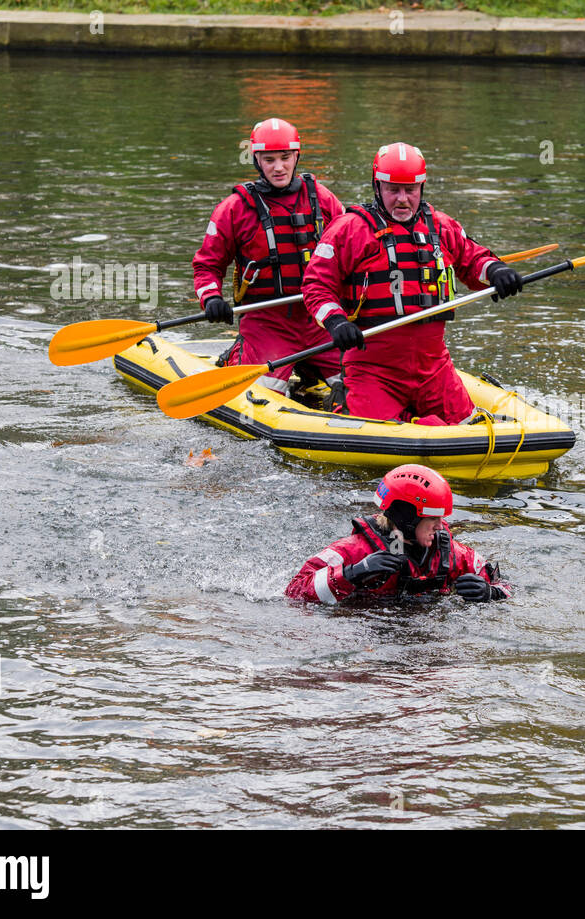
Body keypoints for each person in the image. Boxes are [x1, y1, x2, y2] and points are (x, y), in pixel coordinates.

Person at [299, 142, 524, 425]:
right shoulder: (349, 230)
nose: (402, 199)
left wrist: (495, 270)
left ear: (422, 188)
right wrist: (337, 322)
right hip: (372, 368)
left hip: (433, 368)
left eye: (410, 190)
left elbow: (472, 259)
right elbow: (316, 286)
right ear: (377, 187)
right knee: (375, 432)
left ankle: (414, 418)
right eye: (393, 190)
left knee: (470, 428)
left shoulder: (441, 226)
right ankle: (351, 402)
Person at [191, 117, 345, 395]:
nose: (278, 167)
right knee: (263, 393)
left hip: (320, 320)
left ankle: (309, 366)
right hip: (267, 322)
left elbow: (354, 255)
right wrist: (212, 298)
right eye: (269, 159)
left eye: (285, 158)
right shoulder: (234, 209)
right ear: (256, 160)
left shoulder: (323, 199)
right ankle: (239, 355)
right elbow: (207, 265)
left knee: (358, 384)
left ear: (296, 156)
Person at [286, 464, 511, 604]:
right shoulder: (353, 551)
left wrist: (491, 593)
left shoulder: (452, 553)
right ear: (407, 519)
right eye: (432, 519)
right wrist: (354, 572)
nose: (441, 527)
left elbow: (505, 585)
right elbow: (294, 592)